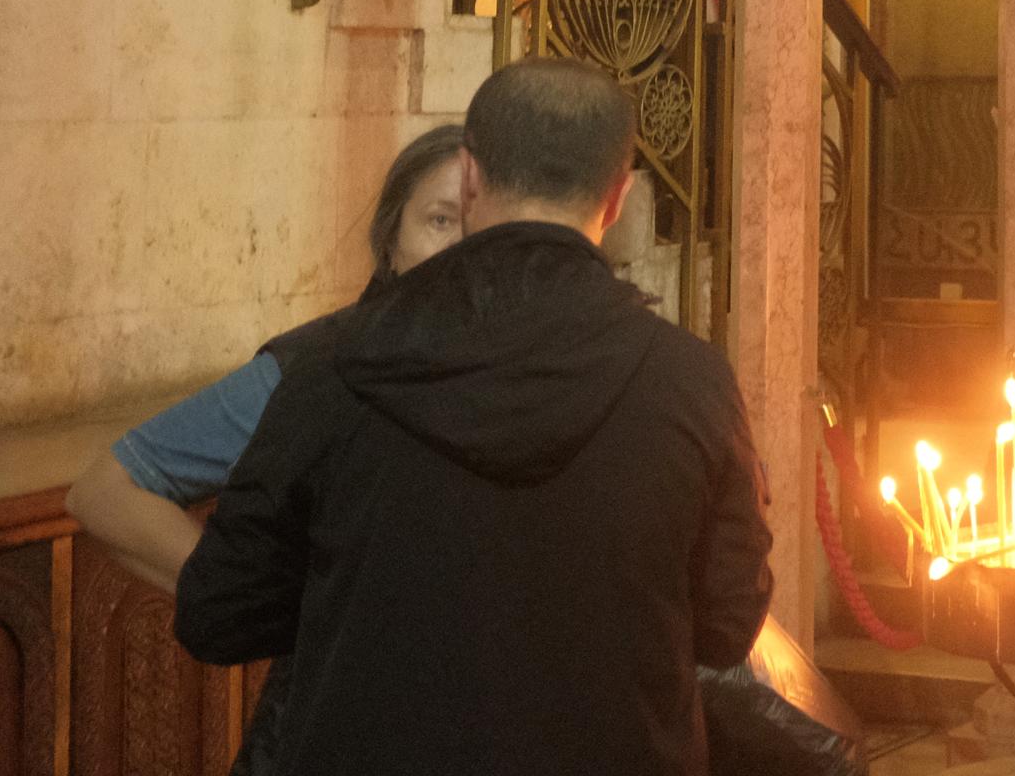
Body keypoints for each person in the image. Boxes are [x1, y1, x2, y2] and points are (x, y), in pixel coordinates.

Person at [175, 62, 772, 774]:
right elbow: (728, 626)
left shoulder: (334, 365)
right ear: (617, 197)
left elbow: (219, 612)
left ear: (468, 176)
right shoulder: (690, 380)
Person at [67, 123, 469, 594]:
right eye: (441, 221)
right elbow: (105, 492)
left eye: (485, 229)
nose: (462, 250)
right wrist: (256, 597)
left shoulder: (532, 374)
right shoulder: (317, 367)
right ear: (391, 242)